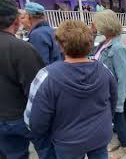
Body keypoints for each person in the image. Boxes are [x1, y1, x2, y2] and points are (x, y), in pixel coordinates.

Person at [24, 20, 117, 159]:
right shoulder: (104, 70)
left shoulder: (47, 76)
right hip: (100, 134)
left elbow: (35, 122)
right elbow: (112, 102)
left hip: (68, 142)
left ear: (61, 45)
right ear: (90, 43)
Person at [0, 0, 55, 159]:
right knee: (46, 150)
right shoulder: (22, 48)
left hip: (6, 117)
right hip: (22, 117)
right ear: (15, 21)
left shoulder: (29, 43)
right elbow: (37, 89)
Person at [92, 9, 126, 159]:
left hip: (112, 94)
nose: (94, 24)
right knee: (109, 121)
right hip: (102, 92)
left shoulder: (118, 47)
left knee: (119, 120)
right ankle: (119, 141)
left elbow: (124, 78)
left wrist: (119, 102)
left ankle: (125, 145)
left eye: (97, 22)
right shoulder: (104, 41)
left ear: (105, 24)